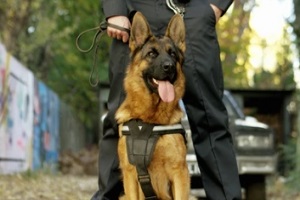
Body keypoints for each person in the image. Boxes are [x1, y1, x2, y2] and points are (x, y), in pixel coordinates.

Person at [91, 0, 242, 199]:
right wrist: (115, 8)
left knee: (210, 120)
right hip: (134, 8)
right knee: (119, 118)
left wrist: (214, 6)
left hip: (194, 11)